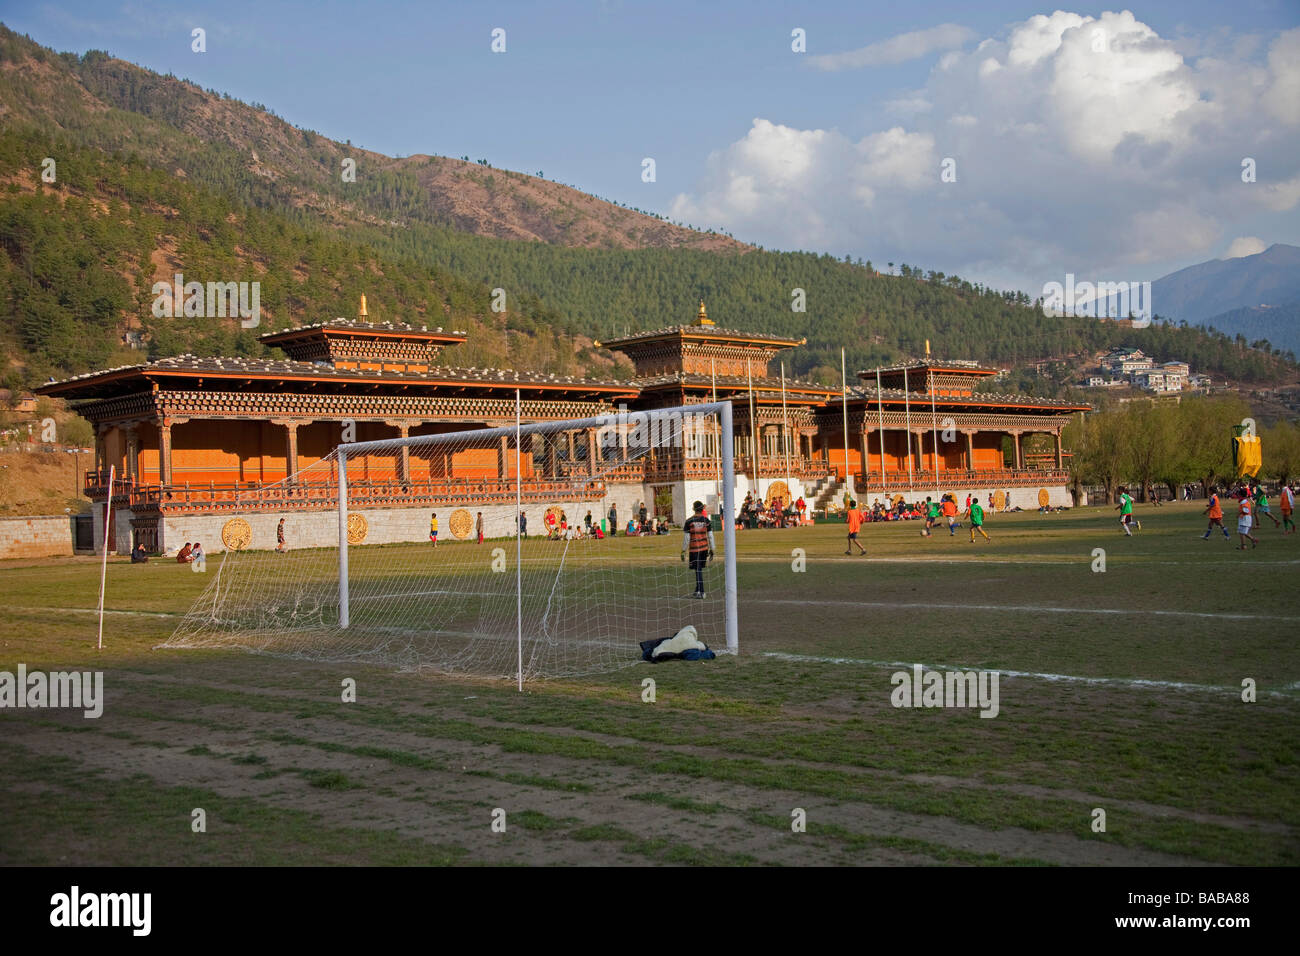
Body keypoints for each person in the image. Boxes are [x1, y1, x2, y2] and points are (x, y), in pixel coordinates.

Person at [681, 500, 715, 598]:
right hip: (704, 548)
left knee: (698, 570)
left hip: (694, 549)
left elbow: (687, 538)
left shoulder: (689, 521)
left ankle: (702, 591)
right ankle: (697, 590)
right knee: (698, 569)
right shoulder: (706, 521)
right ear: (702, 509)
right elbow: (710, 536)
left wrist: (683, 550)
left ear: (693, 509)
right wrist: (712, 549)